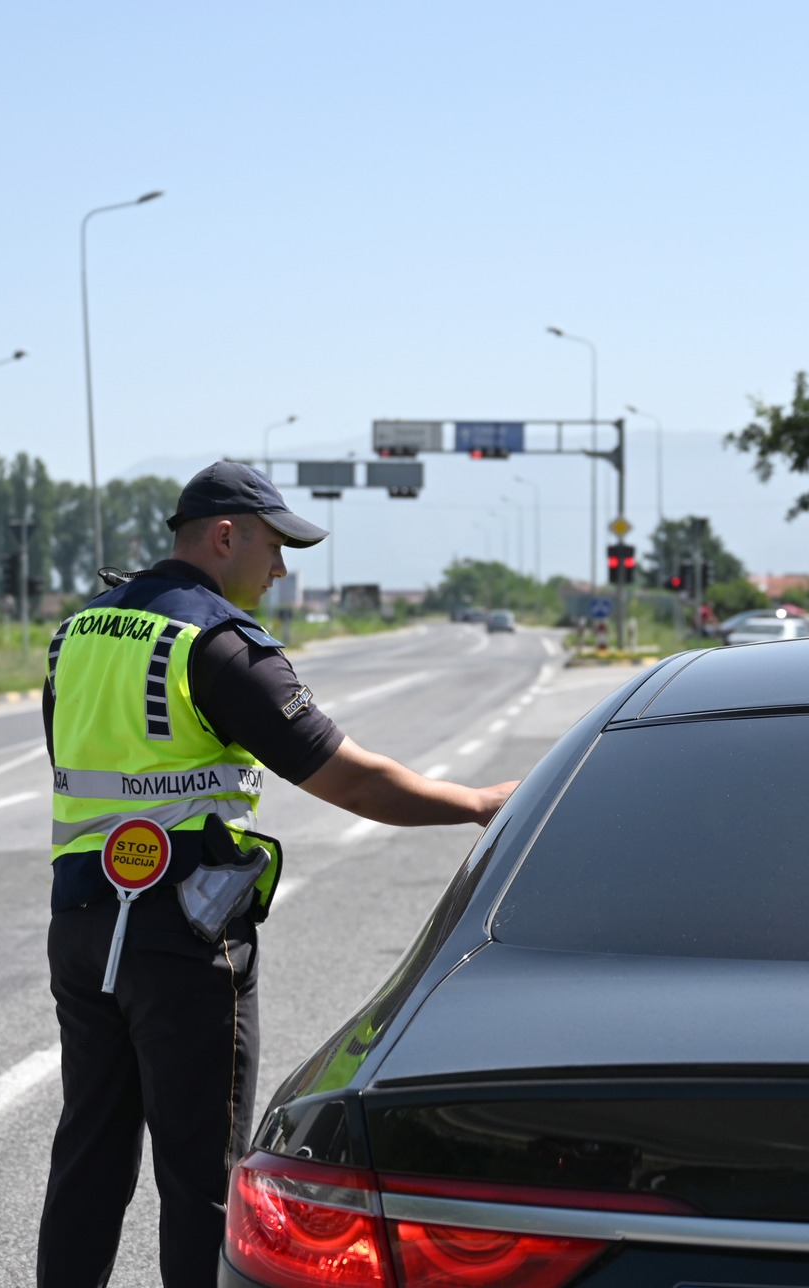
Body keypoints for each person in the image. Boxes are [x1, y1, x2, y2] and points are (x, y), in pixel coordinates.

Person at [36, 461, 517, 1288]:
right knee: (202, 1180)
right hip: (182, 942)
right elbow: (350, 777)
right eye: (275, 546)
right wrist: (474, 802)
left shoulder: (78, 632)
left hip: (82, 928)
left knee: (89, 1159)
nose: (282, 569)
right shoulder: (213, 643)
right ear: (226, 536)